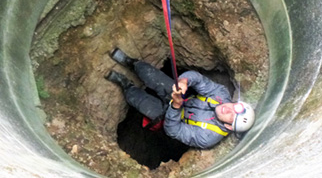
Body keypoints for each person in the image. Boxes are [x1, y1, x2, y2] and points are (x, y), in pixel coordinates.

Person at [106, 48, 255, 149]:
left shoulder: (207, 137)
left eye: (231, 116)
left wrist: (175, 107)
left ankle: (125, 85)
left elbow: (173, 130)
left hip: (170, 116)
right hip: (183, 96)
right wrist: (184, 82)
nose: (228, 109)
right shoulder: (222, 96)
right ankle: (131, 62)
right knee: (151, 75)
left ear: (229, 127)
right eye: (234, 107)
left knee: (139, 101)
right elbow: (199, 79)